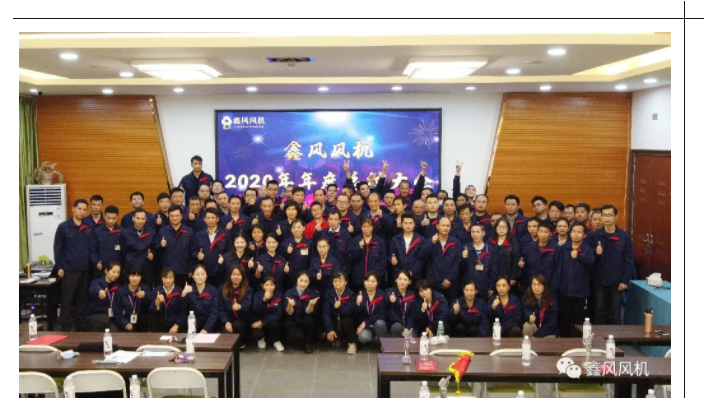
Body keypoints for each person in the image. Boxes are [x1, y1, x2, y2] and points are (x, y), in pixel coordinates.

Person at [590, 204, 635, 325]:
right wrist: (595, 252)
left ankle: (615, 336)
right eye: (604, 215)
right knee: (598, 311)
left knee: (614, 313)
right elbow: (588, 257)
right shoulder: (594, 236)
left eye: (610, 215)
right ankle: (599, 336)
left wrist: (625, 280)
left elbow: (629, 260)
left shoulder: (624, 236)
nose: (607, 218)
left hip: (616, 282)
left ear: (616, 216)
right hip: (598, 281)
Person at [557, 223, 595, 337]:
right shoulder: (564, 248)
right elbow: (559, 268)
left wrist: (579, 256)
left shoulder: (588, 249)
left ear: (584, 235)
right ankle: (564, 341)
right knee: (564, 318)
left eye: (579, 232)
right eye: (574, 232)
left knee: (579, 319)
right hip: (564, 290)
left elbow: (591, 264)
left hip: (580, 292)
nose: (576, 234)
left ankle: (578, 342)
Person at [190, 208, 230, 288]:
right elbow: (192, 251)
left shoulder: (225, 235)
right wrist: (197, 255)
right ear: (204, 220)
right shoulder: (198, 235)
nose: (210, 220)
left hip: (220, 272)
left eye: (213, 218)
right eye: (208, 218)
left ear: (217, 219)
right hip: (204, 273)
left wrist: (223, 259)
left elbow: (229, 252)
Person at [426, 217, 462, 302]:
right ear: (437, 226)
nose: (445, 228)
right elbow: (422, 256)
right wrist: (432, 243)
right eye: (443, 225)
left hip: (451, 283)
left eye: (448, 226)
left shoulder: (456, 243)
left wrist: (449, 278)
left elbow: (457, 262)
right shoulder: (430, 241)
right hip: (433, 282)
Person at [347, 218, 387, 292]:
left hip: (374, 279)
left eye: (368, 227)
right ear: (361, 227)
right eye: (364, 227)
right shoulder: (355, 240)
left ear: (372, 227)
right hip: (358, 279)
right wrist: (359, 248)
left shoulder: (379, 241)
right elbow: (350, 258)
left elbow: (383, 261)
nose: (366, 229)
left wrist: (375, 276)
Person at [284, 271, 320, 353]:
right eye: (301, 280)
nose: (303, 284)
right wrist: (290, 305)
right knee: (297, 337)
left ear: (309, 282)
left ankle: (307, 343)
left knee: (309, 320)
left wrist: (310, 304)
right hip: (292, 321)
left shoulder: (312, 293)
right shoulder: (289, 293)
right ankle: (299, 340)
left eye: (306, 281)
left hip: (304, 320)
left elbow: (308, 312)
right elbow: (289, 313)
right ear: (297, 280)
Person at [156, 205, 194, 283]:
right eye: (172, 216)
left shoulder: (189, 232)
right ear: (169, 217)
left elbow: (192, 251)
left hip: (183, 271)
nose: (174, 218)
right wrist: (160, 245)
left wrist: (191, 269)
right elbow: (156, 250)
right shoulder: (162, 231)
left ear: (181, 216)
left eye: (177, 215)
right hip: (167, 271)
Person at [520, 221, 560, 293]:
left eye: (546, 232)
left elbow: (557, 270)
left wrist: (552, 288)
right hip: (532, 286)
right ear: (537, 232)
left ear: (551, 233)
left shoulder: (556, 248)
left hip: (549, 287)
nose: (543, 235)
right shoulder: (530, 247)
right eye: (540, 231)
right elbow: (526, 268)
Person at [322, 272, 357, 354]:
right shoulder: (328, 294)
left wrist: (340, 306)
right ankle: (337, 335)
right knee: (332, 339)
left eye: (340, 281)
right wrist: (330, 329)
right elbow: (326, 313)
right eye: (335, 281)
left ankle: (352, 343)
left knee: (347, 320)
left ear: (345, 282)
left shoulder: (350, 294)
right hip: (334, 321)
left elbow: (350, 311)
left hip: (346, 321)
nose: (337, 283)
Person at [80, 261, 121, 332]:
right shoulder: (97, 282)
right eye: (114, 272)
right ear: (106, 270)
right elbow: (93, 289)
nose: (116, 275)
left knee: (114, 331)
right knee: (103, 319)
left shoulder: (118, 286)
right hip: (93, 316)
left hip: (109, 317)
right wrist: (100, 291)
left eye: (118, 272)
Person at [219, 265, 253, 349]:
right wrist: (226, 321)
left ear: (242, 276)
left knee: (238, 325)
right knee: (226, 332)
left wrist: (241, 307)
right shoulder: (222, 289)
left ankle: (242, 342)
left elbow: (248, 306)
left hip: (242, 319)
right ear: (229, 276)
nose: (236, 277)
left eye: (238, 274)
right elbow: (220, 308)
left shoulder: (248, 289)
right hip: (228, 319)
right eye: (233, 274)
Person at [389, 212, 431, 279]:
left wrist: (412, 272)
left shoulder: (421, 240)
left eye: (410, 223)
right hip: (399, 276)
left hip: (415, 276)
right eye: (405, 223)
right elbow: (391, 254)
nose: (408, 226)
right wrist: (392, 260)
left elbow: (421, 259)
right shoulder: (395, 239)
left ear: (414, 224)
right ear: (402, 224)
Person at [488, 218, 522, 297]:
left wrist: (513, 277)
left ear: (508, 228)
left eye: (504, 227)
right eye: (499, 227)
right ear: (495, 228)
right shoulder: (490, 241)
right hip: (492, 276)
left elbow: (515, 260)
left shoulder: (513, 242)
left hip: (508, 276)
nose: (501, 229)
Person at [122, 208, 156, 286]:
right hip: (130, 270)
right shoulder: (126, 233)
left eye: (142, 219)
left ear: (146, 219)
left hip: (146, 270)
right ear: (133, 218)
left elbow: (155, 248)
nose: (140, 221)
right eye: (138, 218)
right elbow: (123, 252)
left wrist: (152, 254)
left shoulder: (152, 232)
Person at [182, 265, 220, 333]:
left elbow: (214, 313)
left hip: (210, 323)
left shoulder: (213, 291)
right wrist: (184, 293)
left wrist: (206, 329)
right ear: (193, 276)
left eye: (202, 274)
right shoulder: (189, 289)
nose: (200, 277)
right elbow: (182, 309)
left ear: (206, 276)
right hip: (194, 321)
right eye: (197, 274)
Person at [148, 267, 187, 333]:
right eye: (165, 278)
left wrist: (176, 325)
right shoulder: (156, 291)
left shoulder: (180, 291)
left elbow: (183, 312)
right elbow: (152, 312)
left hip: (176, 325)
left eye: (170, 278)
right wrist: (157, 303)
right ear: (161, 278)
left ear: (174, 278)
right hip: (160, 326)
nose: (168, 280)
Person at [461, 224, 494, 301]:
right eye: (473, 232)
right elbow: (461, 269)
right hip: (468, 288)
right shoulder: (465, 248)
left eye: (478, 232)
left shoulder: (490, 249)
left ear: (483, 233)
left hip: (484, 287)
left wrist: (491, 287)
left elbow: (493, 270)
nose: (475, 234)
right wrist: (464, 258)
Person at [90, 205, 124, 280]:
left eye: (114, 218)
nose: (111, 221)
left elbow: (125, 252)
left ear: (117, 217)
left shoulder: (122, 231)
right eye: (108, 218)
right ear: (104, 216)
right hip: (101, 270)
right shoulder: (97, 231)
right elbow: (92, 250)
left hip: (117, 271)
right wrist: (96, 261)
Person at [251, 276, 284, 351]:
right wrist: (264, 299)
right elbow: (255, 309)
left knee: (274, 325)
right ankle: (261, 338)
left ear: (275, 285)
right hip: (258, 319)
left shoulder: (279, 295)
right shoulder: (257, 294)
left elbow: (278, 314)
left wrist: (263, 321)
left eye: (271, 285)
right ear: (262, 285)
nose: (269, 287)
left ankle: (276, 341)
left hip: (271, 320)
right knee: (256, 334)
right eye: (266, 285)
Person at [113, 266, 151, 332]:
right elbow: (117, 311)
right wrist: (125, 323)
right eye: (132, 276)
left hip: (141, 324)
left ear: (141, 277)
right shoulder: (120, 291)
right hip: (126, 322)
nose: (135, 279)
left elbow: (150, 306)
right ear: (128, 276)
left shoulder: (145, 289)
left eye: (138, 276)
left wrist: (144, 296)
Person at [354, 272, 388, 346]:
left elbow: (382, 314)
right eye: (367, 281)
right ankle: (372, 336)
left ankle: (382, 344)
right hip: (366, 326)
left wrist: (365, 322)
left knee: (380, 323)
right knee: (363, 338)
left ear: (377, 282)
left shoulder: (382, 295)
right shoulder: (360, 295)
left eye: (373, 281)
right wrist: (358, 304)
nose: (370, 284)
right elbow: (357, 313)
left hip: (377, 323)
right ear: (364, 282)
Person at [281, 219, 313, 288]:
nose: (296, 230)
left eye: (299, 227)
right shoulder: (285, 243)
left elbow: (312, 260)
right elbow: (281, 259)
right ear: (291, 230)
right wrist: (287, 253)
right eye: (294, 227)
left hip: (305, 278)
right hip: (290, 277)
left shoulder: (309, 243)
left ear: (304, 228)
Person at [386, 270, 416, 337]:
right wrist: (390, 299)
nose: (402, 282)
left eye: (405, 280)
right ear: (396, 280)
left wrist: (408, 327)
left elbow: (412, 314)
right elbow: (386, 307)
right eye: (400, 279)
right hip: (395, 324)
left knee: (412, 338)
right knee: (397, 327)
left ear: (409, 282)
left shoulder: (412, 295)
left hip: (408, 324)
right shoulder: (389, 292)